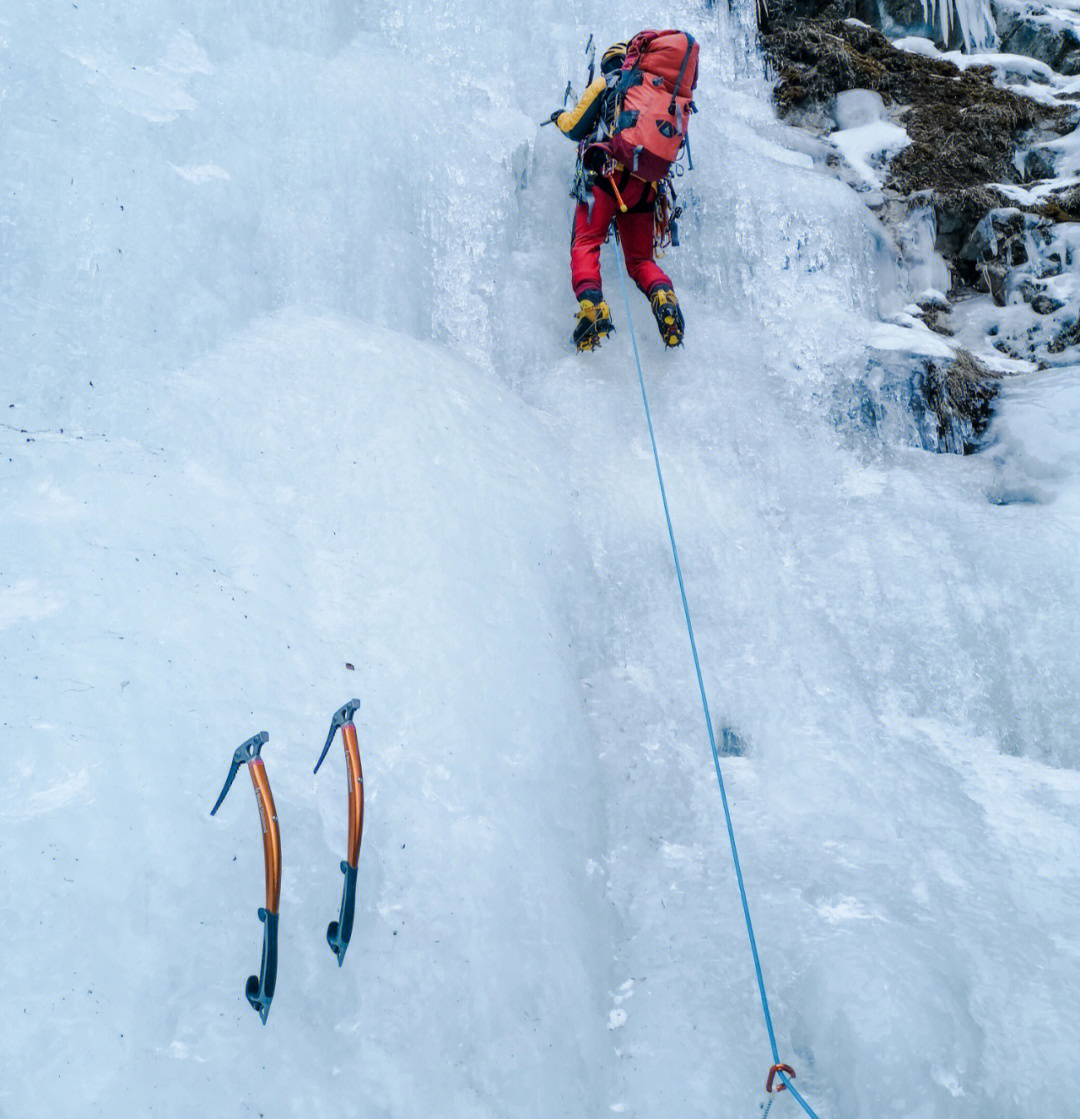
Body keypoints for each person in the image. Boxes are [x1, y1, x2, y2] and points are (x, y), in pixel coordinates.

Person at [551, 40, 686, 353]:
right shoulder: (654, 92)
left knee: (586, 242)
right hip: (645, 187)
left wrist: (558, 116)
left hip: (604, 177)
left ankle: (593, 308)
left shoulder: (607, 83)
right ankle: (663, 296)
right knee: (640, 261)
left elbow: (574, 127)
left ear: (608, 64)